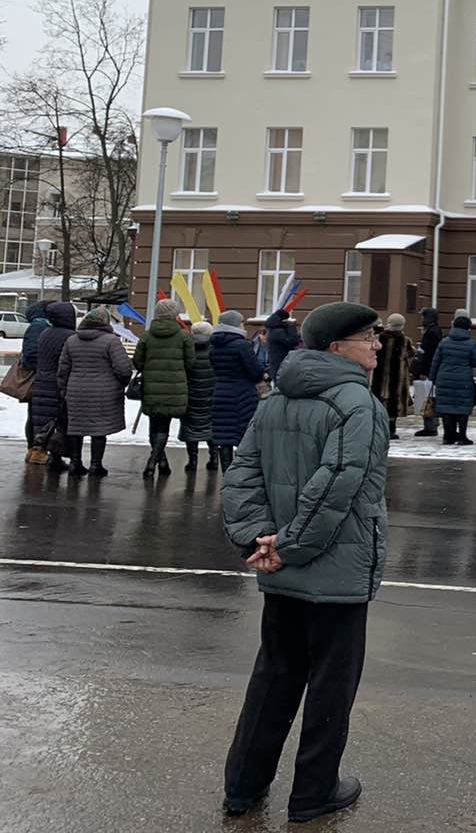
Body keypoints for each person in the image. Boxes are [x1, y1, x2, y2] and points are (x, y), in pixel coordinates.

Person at [220, 301, 389, 823]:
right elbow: (338, 486)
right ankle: (314, 793)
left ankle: (242, 787)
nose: (378, 346)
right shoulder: (357, 406)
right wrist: (286, 545)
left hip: (282, 572)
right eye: (368, 338)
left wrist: (261, 538)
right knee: (330, 690)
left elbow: (241, 475)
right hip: (334, 575)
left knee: (273, 678)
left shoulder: (275, 398)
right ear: (337, 348)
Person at [57, 305, 133, 477]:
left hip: (76, 391)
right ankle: (96, 465)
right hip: (103, 393)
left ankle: (75, 463)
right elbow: (123, 369)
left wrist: (63, 389)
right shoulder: (111, 341)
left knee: (76, 427)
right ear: (105, 322)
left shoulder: (72, 340)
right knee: (99, 429)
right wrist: (121, 384)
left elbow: (63, 369)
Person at [132, 297, 196, 478]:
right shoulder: (184, 336)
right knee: (164, 426)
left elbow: (138, 361)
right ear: (175, 314)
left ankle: (160, 462)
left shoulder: (146, 335)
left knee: (155, 425)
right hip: (175, 388)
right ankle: (154, 461)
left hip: (151, 386)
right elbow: (191, 363)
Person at [210, 310, 266, 471]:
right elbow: (255, 372)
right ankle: (241, 473)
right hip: (242, 395)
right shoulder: (242, 345)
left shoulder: (214, 345)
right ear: (234, 325)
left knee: (223, 436)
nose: (243, 325)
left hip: (220, 393)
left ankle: (226, 473)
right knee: (244, 436)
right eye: (241, 322)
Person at [32, 301, 79, 472]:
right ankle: (56, 457)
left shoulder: (45, 333)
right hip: (57, 383)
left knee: (44, 420)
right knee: (59, 421)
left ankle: (45, 453)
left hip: (41, 382)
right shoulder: (70, 337)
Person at [429, 312, 476, 445]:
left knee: (446, 406)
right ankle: (462, 436)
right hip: (464, 379)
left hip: (444, 378)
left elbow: (436, 361)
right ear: (468, 328)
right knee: (463, 407)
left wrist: (432, 378)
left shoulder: (444, 342)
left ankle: (448, 436)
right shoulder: (471, 344)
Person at [181, 320, 219, 472]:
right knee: (212, 426)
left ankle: (193, 460)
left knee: (191, 427)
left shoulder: (186, 348)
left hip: (191, 394)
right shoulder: (215, 350)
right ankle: (213, 458)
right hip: (211, 394)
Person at [370, 314, 414, 434]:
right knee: (394, 403)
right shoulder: (405, 340)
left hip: (380, 375)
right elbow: (411, 353)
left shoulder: (379, 338)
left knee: (379, 400)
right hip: (398, 377)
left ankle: (379, 427)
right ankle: (391, 429)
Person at [19, 301, 49, 464]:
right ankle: (34, 450)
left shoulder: (40, 326)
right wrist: (45, 367)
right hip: (39, 379)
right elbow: (30, 355)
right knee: (36, 416)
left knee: (36, 415)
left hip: (40, 378)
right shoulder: (39, 327)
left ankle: (34, 450)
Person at [412, 307, 442, 437]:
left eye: (424, 317)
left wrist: (422, 370)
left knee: (427, 397)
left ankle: (430, 426)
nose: (422, 319)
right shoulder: (435, 331)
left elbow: (427, 354)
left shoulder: (431, 333)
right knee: (429, 396)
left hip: (428, 369)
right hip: (431, 368)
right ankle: (431, 424)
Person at [264, 308, 301, 379]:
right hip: (281, 367)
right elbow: (293, 341)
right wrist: (291, 327)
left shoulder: (272, 330)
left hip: (277, 366)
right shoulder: (278, 331)